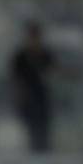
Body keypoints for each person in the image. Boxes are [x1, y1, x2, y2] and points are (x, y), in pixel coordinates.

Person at [10, 22, 53, 152]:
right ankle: (32, 149)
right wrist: (19, 94)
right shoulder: (21, 56)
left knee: (43, 125)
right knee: (30, 126)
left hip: (42, 94)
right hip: (27, 95)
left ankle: (43, 148)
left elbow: (53, 71)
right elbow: (15, 77)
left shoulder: (45, 55)